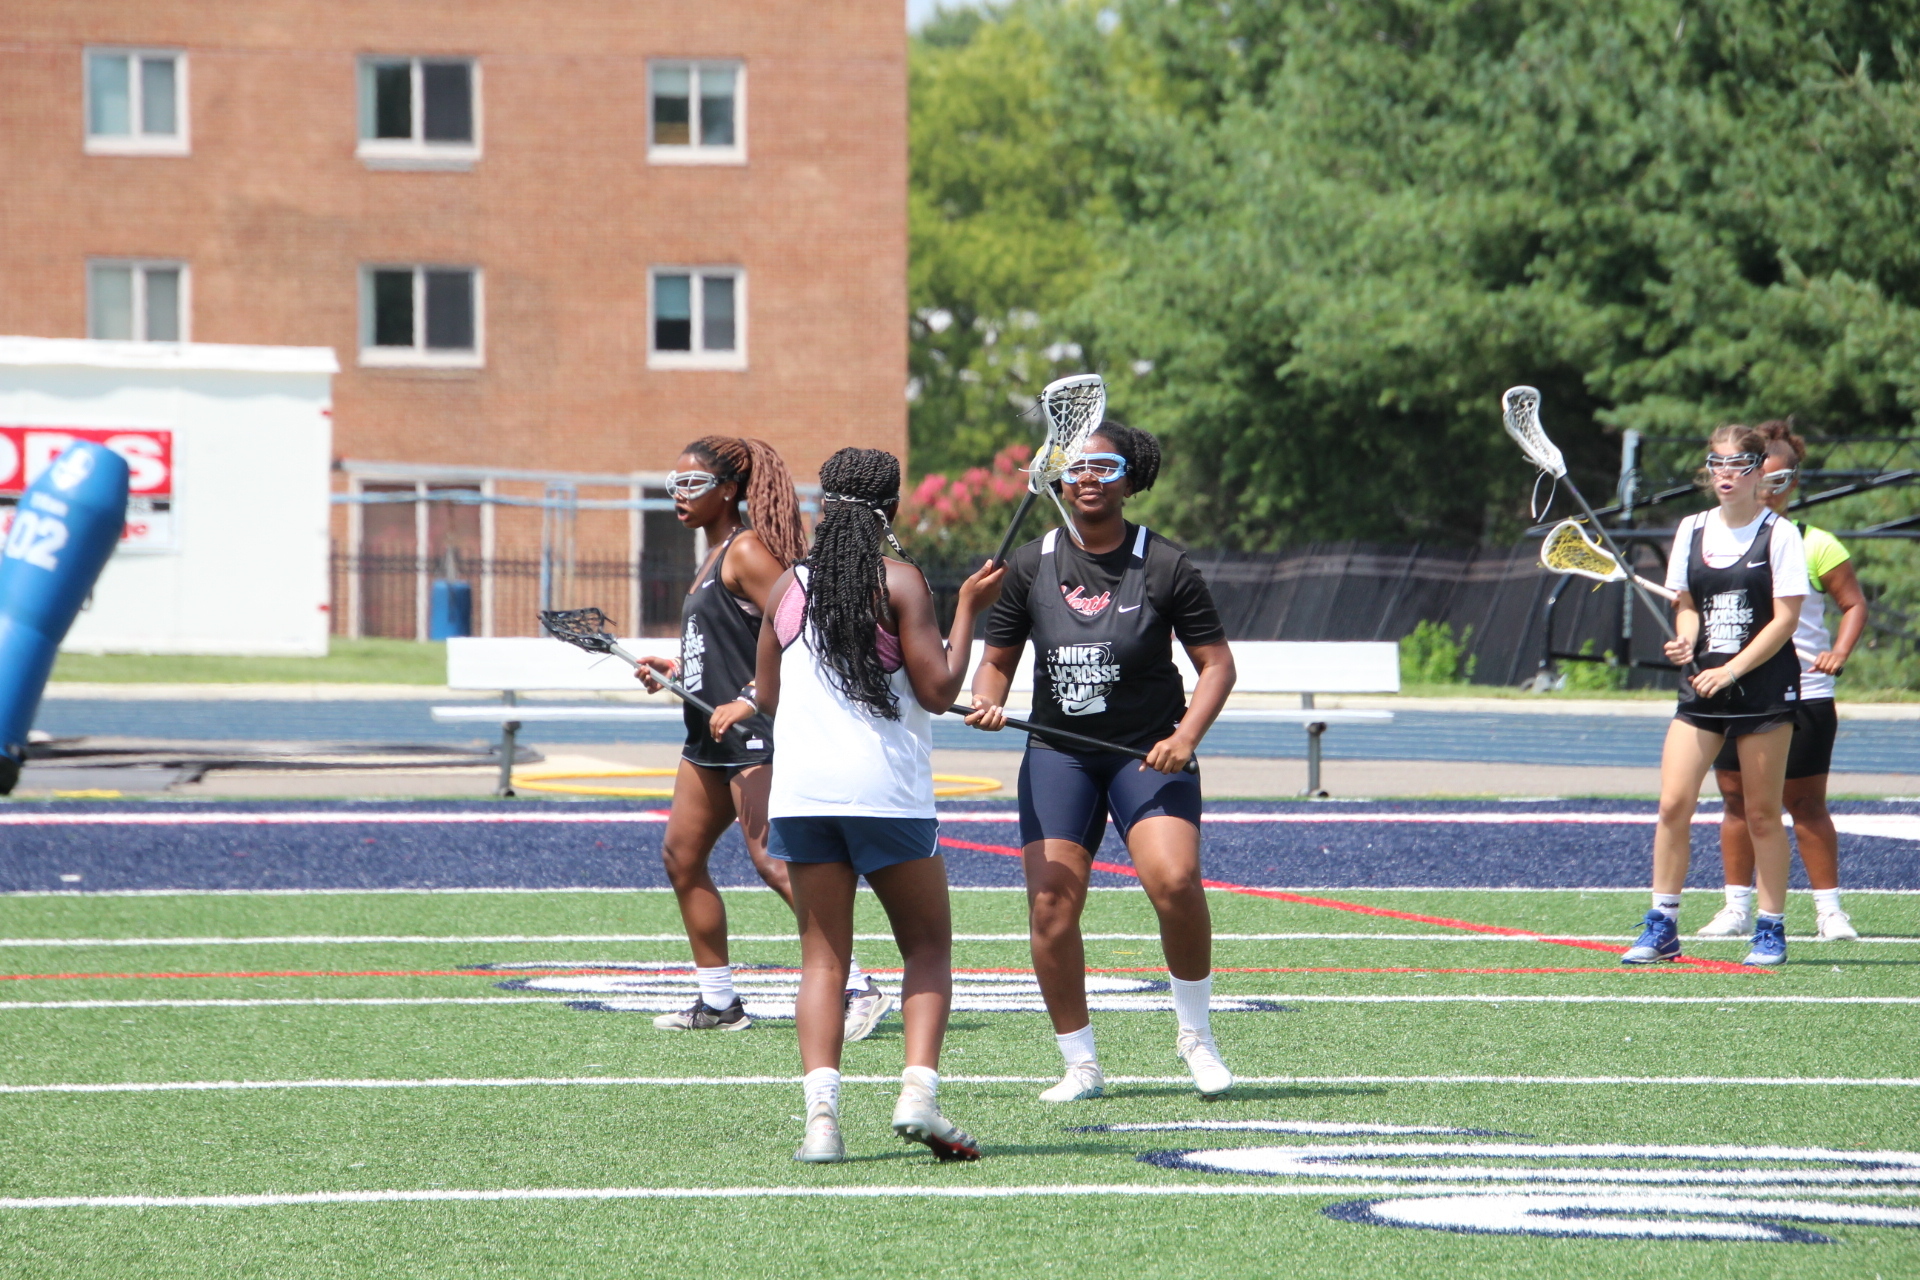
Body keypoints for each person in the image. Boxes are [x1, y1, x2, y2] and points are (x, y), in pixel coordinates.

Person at [710, 446, 1004, 1163]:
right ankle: (918, 1098)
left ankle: (821, 1124)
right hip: (889, 796)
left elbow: (769, 695)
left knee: (823, 964)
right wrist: (969, 609)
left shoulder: (784, 591)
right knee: (927, 948)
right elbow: (938, 690)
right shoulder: (900, 581)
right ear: (891, 512)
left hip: (804, 797)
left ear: (823, 507)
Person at [965, 423, 1238, 1102]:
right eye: (1076, 467)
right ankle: (1081, 1063)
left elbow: (1217, 666)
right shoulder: (1032, 563)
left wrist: (1186, 738)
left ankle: (1196, 1037)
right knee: (1052, 909)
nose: (1087, 477)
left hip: (1145, 753)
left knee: (1175, 881)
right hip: (1059, 753)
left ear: (1130, 477)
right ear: (1059, 479)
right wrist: (987, 701)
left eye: (1104, 466)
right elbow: (996, 663)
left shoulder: (1167, 564)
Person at [636, 436, 891, 1040]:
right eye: (673, 484)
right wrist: (678, 672)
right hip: (707, 732)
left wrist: (749, 697)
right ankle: (719, 1001)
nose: (679, 495)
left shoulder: (747, 550)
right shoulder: (709, 553)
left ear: (729, 490)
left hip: (754, 730)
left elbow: (804, 628)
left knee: (775, 860)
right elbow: (727, 638)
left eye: (692, 484)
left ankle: (858, 982)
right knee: (682, 856)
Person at [1622, 423, 1809, 968]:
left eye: (1738, 465)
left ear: (1759, 474)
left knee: (1761, 814)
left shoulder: (1780, 534)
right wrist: (1685, 638)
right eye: (1717, 463)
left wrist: (1731, 670)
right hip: (1701, 685)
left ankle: (1770, 928)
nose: (1725, 474)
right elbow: (1686, 602)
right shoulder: (1692, 528)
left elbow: (1785, 620)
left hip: (1762, 688)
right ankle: (1663, 924)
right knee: (1674, 802)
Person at [1700, 422, 1869, 943]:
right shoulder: (1715, 537)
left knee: (1805, 804)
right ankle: (1736, 907)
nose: (1766, 487)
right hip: (1739, 692)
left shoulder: (1811, 542)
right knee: (1736, 803)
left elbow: (1853, 603)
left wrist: (1838, 651)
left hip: (1803, 694)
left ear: (1790, 482)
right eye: (1758, 476)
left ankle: (1829, 910)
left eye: (1778, 478)